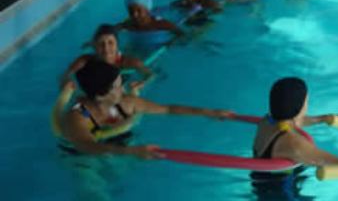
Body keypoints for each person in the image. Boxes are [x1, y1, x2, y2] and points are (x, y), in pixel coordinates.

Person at [54, 59, 233, 157]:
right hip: (80, 156)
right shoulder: (78, 115)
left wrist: (208, 112)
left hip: (117, 144)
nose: (122, 89)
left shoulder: (126, 103)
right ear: (100, 95)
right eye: (117, 87)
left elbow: (168, 109)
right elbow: (86, 145)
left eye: (121, 83)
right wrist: (130, 151)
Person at [60, 24, 152, 90]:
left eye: (110, 43)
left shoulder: (127, 62)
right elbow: (66, 74)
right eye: (101, 44)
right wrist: (66, 81)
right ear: (95, 47)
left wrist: (142, 83)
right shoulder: (86, 60)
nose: (106, 48)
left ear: (117, 45)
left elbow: (150, 75)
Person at [118, 0, 182, 34]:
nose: (135, 14)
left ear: (148, 10)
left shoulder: (160, 24)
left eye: (139, 10)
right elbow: (115, 29)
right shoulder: (129, 25)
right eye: (131, 11)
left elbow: (181, 34)